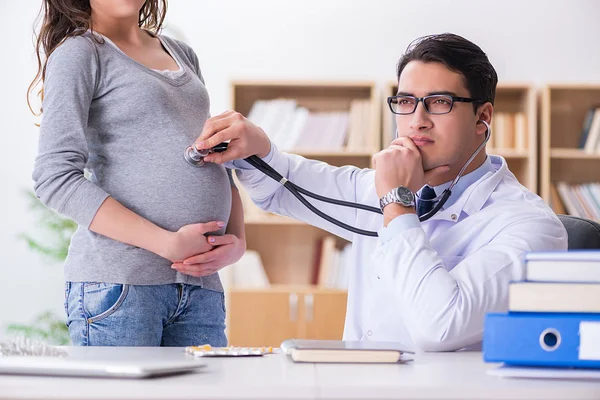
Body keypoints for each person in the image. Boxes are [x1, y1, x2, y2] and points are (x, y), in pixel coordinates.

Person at [182, 33, 568, 352]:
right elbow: (284, 187)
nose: (417, 121)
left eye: (438, 102)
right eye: (405, 102)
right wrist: (255, 148)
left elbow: (441, 325)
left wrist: (397, 204)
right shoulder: (377, 188)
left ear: (482, 118)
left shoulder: (530, 226)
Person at [29, 0, 246, 347]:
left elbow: (216, 156)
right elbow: (54, 178)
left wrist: (237, 242)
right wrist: (167, 244)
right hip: (121, 288)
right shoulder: (79, 53)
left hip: (200, 289)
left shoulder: (182, 54)